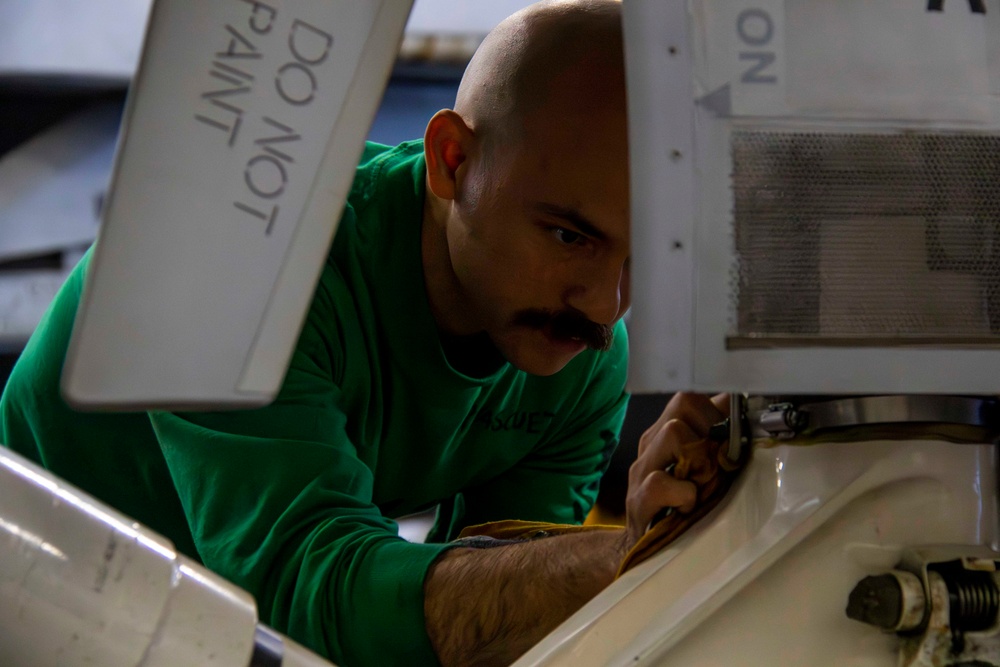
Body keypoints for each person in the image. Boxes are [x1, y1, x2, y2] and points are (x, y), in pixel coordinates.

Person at [0, 1, 726, 665]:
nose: (605, 304)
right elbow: (307, 589)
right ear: (454, 160)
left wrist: (679, 524)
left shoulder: (580, 365)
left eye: (647, 257)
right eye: (570, 236)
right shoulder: (247, 263)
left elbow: (496, 609)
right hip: (34, 592)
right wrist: (627, 560)